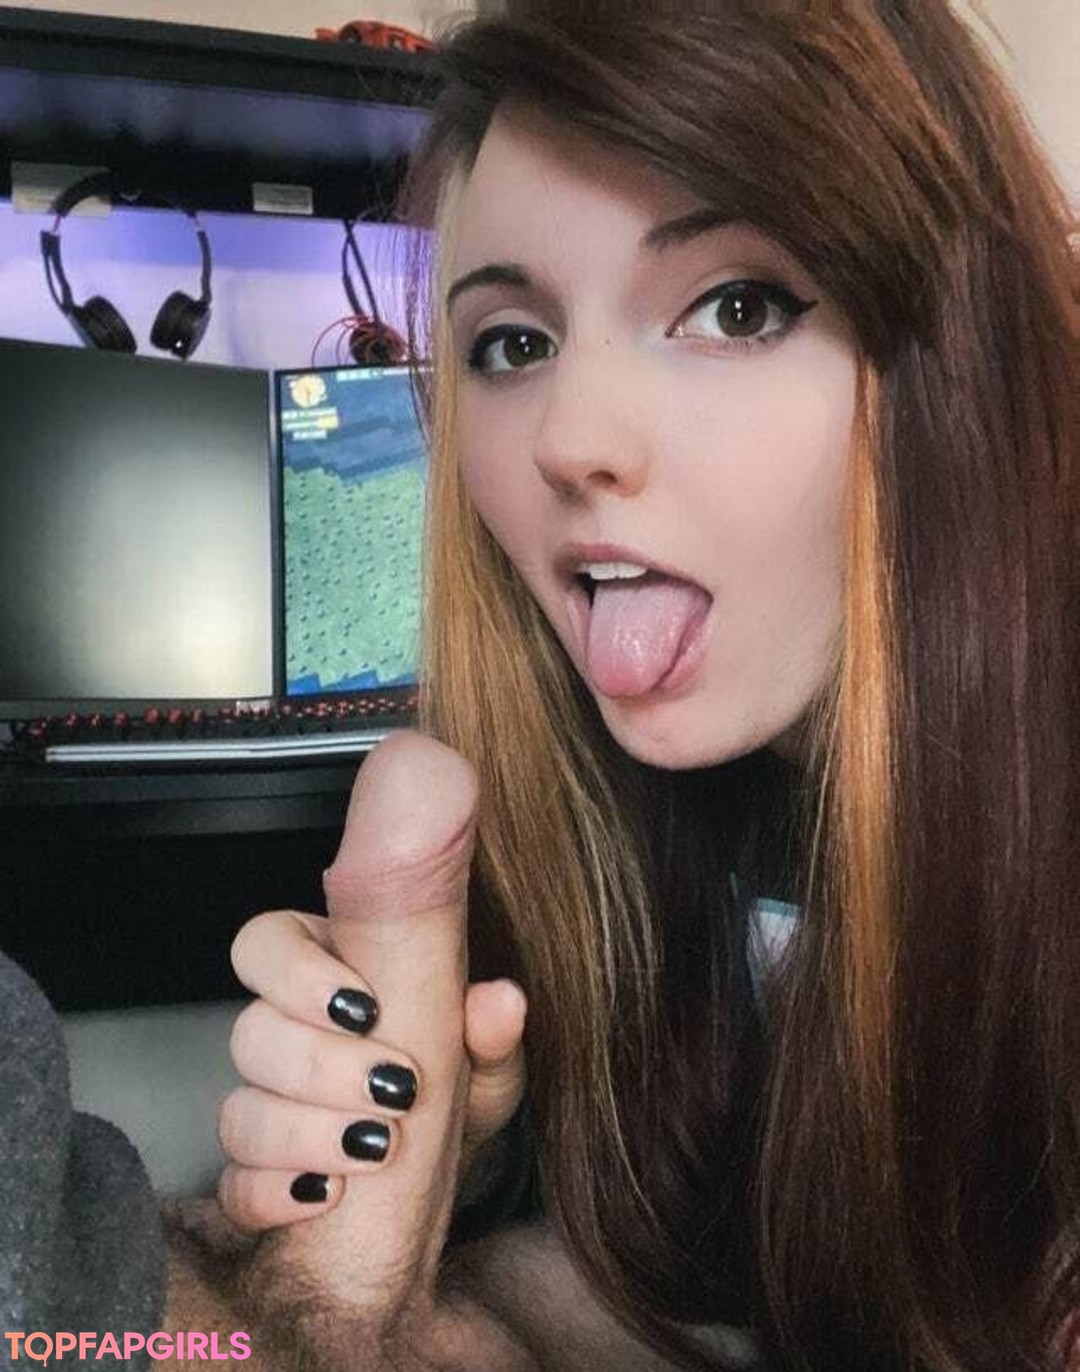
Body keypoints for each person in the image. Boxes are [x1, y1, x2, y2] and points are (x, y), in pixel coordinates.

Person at [175, 1, 1078, 1368]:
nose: (570, 440)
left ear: (965, 359)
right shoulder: (658, 843)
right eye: (512, 343)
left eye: (736, 307)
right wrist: (459, 1184)